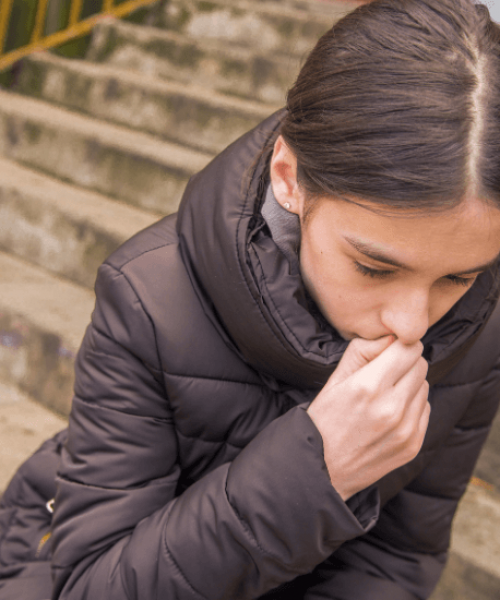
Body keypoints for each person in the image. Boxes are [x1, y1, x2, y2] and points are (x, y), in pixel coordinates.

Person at [1, 0, 500, 598]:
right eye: (373, 267)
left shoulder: (479, 329)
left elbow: (398, 557)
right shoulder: (150, 297)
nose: (412, 324)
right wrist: (314, 473)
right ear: (289, 178)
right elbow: (91, 584)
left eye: (458, 278)